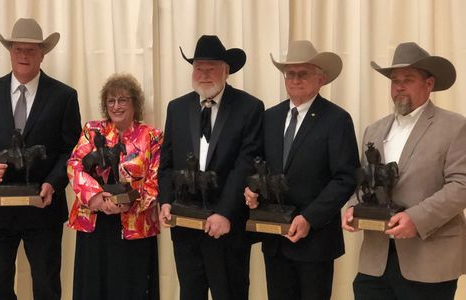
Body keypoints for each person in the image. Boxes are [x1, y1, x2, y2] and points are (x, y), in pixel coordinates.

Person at [0, 18, 81, 300]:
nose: (24, 55)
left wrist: (53, 184)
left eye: (31, 50)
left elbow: (72, 149)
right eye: (18, 49)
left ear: (43, 53)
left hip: (43, 209)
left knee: (46, 286)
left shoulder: (64, 96)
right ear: (9, 51)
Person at [342, 42, 466, 300]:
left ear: (429, 85)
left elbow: (461, 186)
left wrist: (416, 219)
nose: (399, 86)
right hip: (375, 262)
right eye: (394, 80)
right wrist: (354, 206)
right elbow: (365, 179)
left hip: (429, 262)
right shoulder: (374, 130)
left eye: (408, 79)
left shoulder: (455, 126)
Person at [244, 40, 359, 300]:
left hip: (315, 241)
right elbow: (257, 164)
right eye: (290, 74)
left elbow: (345, 177)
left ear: (321, 79)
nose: (295, 79)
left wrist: (309, 217)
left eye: (303, 73)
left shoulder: (337, 119)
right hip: (275, 239)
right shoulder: (269, 117)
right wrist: (251, 189)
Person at [158, 35, 264, 300]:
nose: (204, 74)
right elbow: (167, 163)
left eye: (211, 68)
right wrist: (166, 201)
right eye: (198, 68)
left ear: (226, 71)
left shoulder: (249, 107)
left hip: (227, 227)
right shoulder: (177, 108)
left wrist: (225, 213)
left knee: (229, 292)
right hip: (185, 227)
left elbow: (246, 164)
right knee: (190, 293)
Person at [68, 73, 162, 300]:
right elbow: (74, 166)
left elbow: (155, 181)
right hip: (94, 222)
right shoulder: (92, 130)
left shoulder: (152, 136)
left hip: (135, 227)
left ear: (135, 104)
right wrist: (96, 198)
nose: (116, 106)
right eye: (111, 101)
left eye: (123, 100)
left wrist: (127, 204)